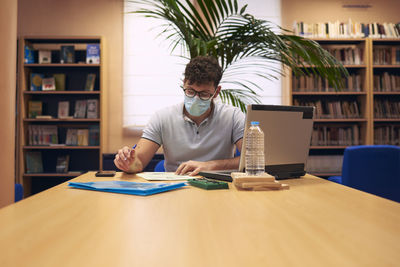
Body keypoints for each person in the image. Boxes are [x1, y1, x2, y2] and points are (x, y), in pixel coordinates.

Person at [114, 56, 245, 176]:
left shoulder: (233, 116)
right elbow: (138, 162)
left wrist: (210, 165)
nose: (195, 98)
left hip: (219, 188)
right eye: (190, 91)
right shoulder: (162, 117)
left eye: (204, 94)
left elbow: (251, 159)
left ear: (216, 92)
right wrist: (127, 162)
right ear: (184, 83)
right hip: (175, 189)